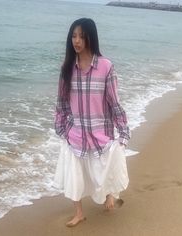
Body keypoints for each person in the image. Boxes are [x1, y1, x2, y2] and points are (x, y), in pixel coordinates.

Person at [53, 18, 130, 227]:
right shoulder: (67, 68)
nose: (76, 41)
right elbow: (61, 102)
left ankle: (109, 195)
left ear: (90, 38)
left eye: (81, 36)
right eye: (73, 36)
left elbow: (114, 102)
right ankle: (78, 212)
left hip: (100, 132)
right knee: (74, 176)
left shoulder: (105, 67)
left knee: (101, 170)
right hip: (75, 133)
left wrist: (123, 131)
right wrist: (62, 128)